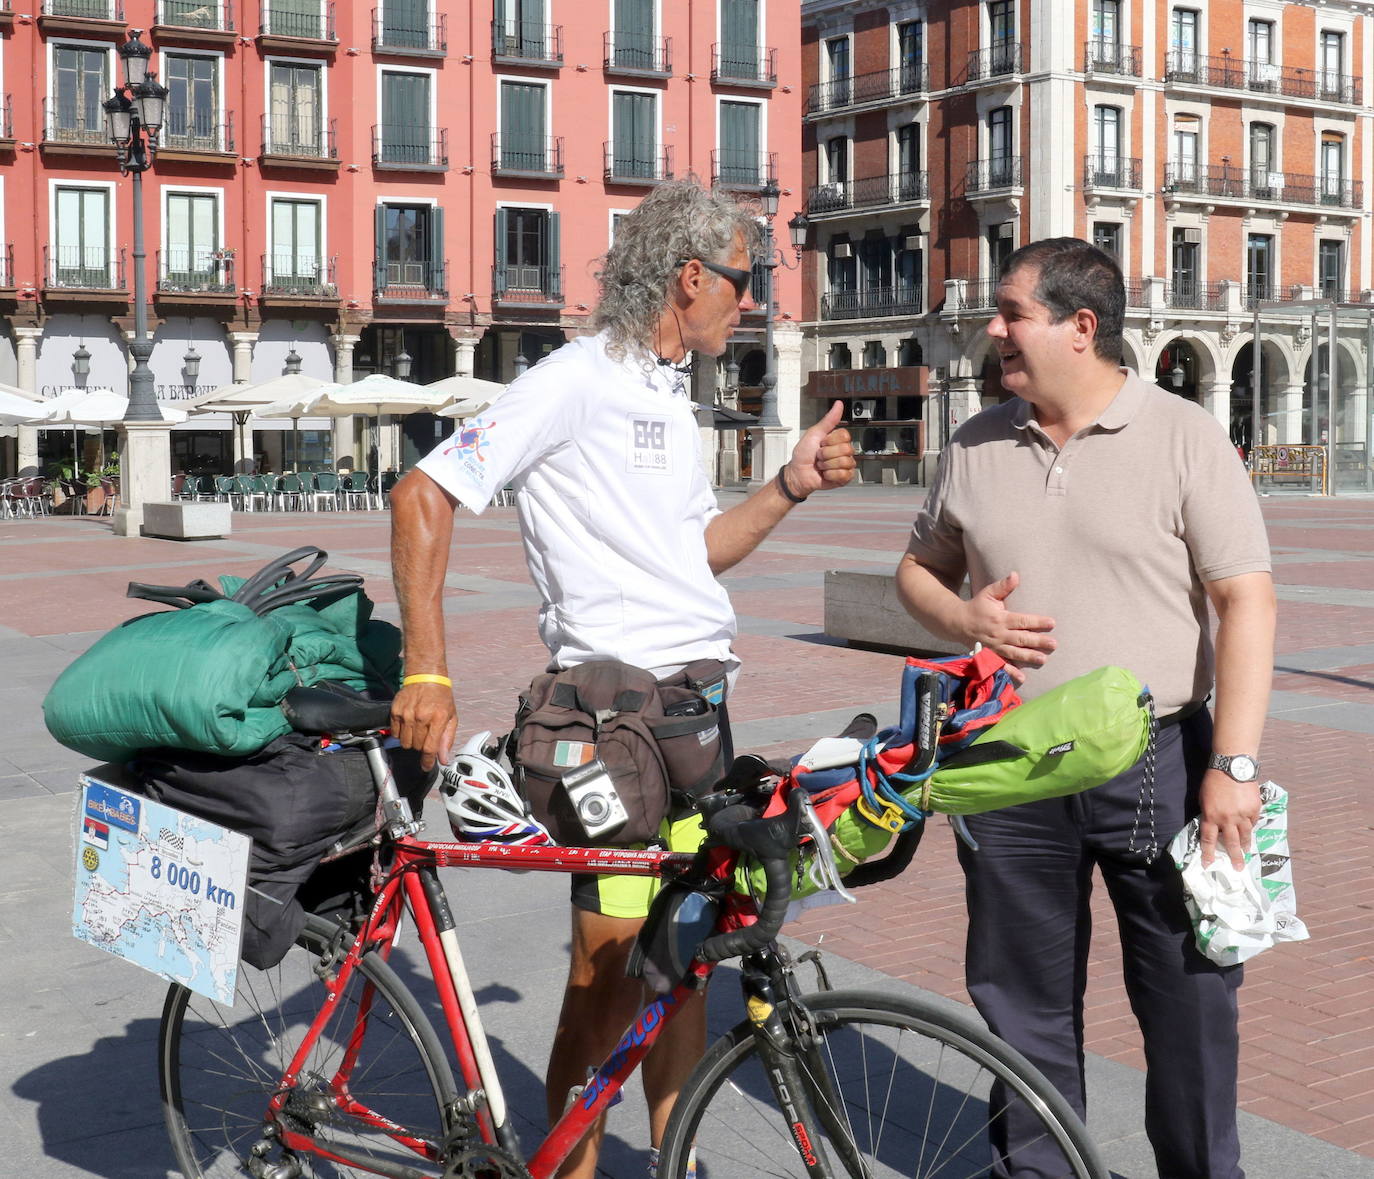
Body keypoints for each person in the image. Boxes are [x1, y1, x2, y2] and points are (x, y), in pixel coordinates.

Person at [388, 178, 856, 1179]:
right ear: (691, 277)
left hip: (692, 718)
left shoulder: (662, 393)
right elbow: (423, 493)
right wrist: (427, 667)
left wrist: (787, 487)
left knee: (676, 972)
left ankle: (673, 1162)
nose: (752, 297)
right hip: (613, 728)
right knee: (606, 976)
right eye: (743, 279)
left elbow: (696, 552)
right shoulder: (577, 378)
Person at [895, 238, 1275, 1179]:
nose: (994, 329)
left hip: (1158, 760)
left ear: (1082, 326)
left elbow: (1246, 601)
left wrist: (1233, 766)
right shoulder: (976, 440)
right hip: (1005, 764)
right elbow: (915, 572)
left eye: (1012, 312)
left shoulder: (1184, 434)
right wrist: (962, 614)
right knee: (1019, 1004)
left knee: (1190, 1002)